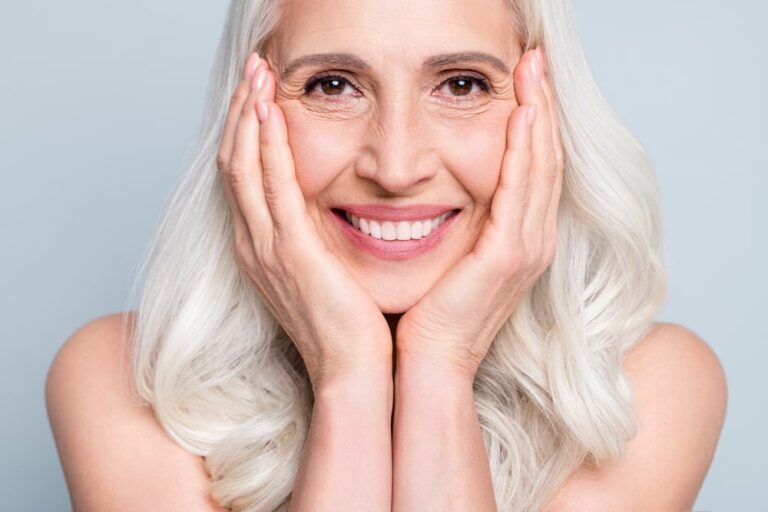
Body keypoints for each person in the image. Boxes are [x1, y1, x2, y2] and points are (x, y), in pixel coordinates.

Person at [44, 0, 728, 510]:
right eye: (332, 85)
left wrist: (439, 364)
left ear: (548, 114)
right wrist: (348, 374)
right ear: (247, 116)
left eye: (460, 85)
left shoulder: (649, 388)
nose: (396, 166)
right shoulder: (122, 381)